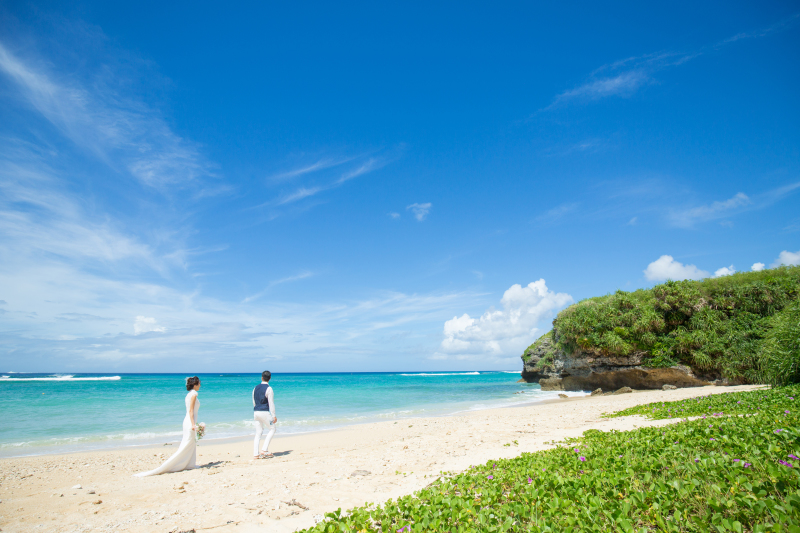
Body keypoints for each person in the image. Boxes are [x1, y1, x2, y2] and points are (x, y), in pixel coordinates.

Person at [135, 376, 201, 477]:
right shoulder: (194, 394)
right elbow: (191, 411)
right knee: (187, 444)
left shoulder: (188, 394)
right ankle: (173, 465)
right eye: (199, 383)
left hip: (187, 421)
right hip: (190, 421)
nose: (200, 385)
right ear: (195, 385)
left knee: (190, 443)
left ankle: (190, 464)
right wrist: (193, 424)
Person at [253, 370, 277, 459]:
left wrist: (256, 409)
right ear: (269, 378)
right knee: (273, 428)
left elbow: (254, 401)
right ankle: (264, 449)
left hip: (256, 412)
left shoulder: (255, 388)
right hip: (264, 412)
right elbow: (271, 403)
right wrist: (273, 415)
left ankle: (256, 454)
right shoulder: (269, 389)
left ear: (262, 377)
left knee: (258, 433)